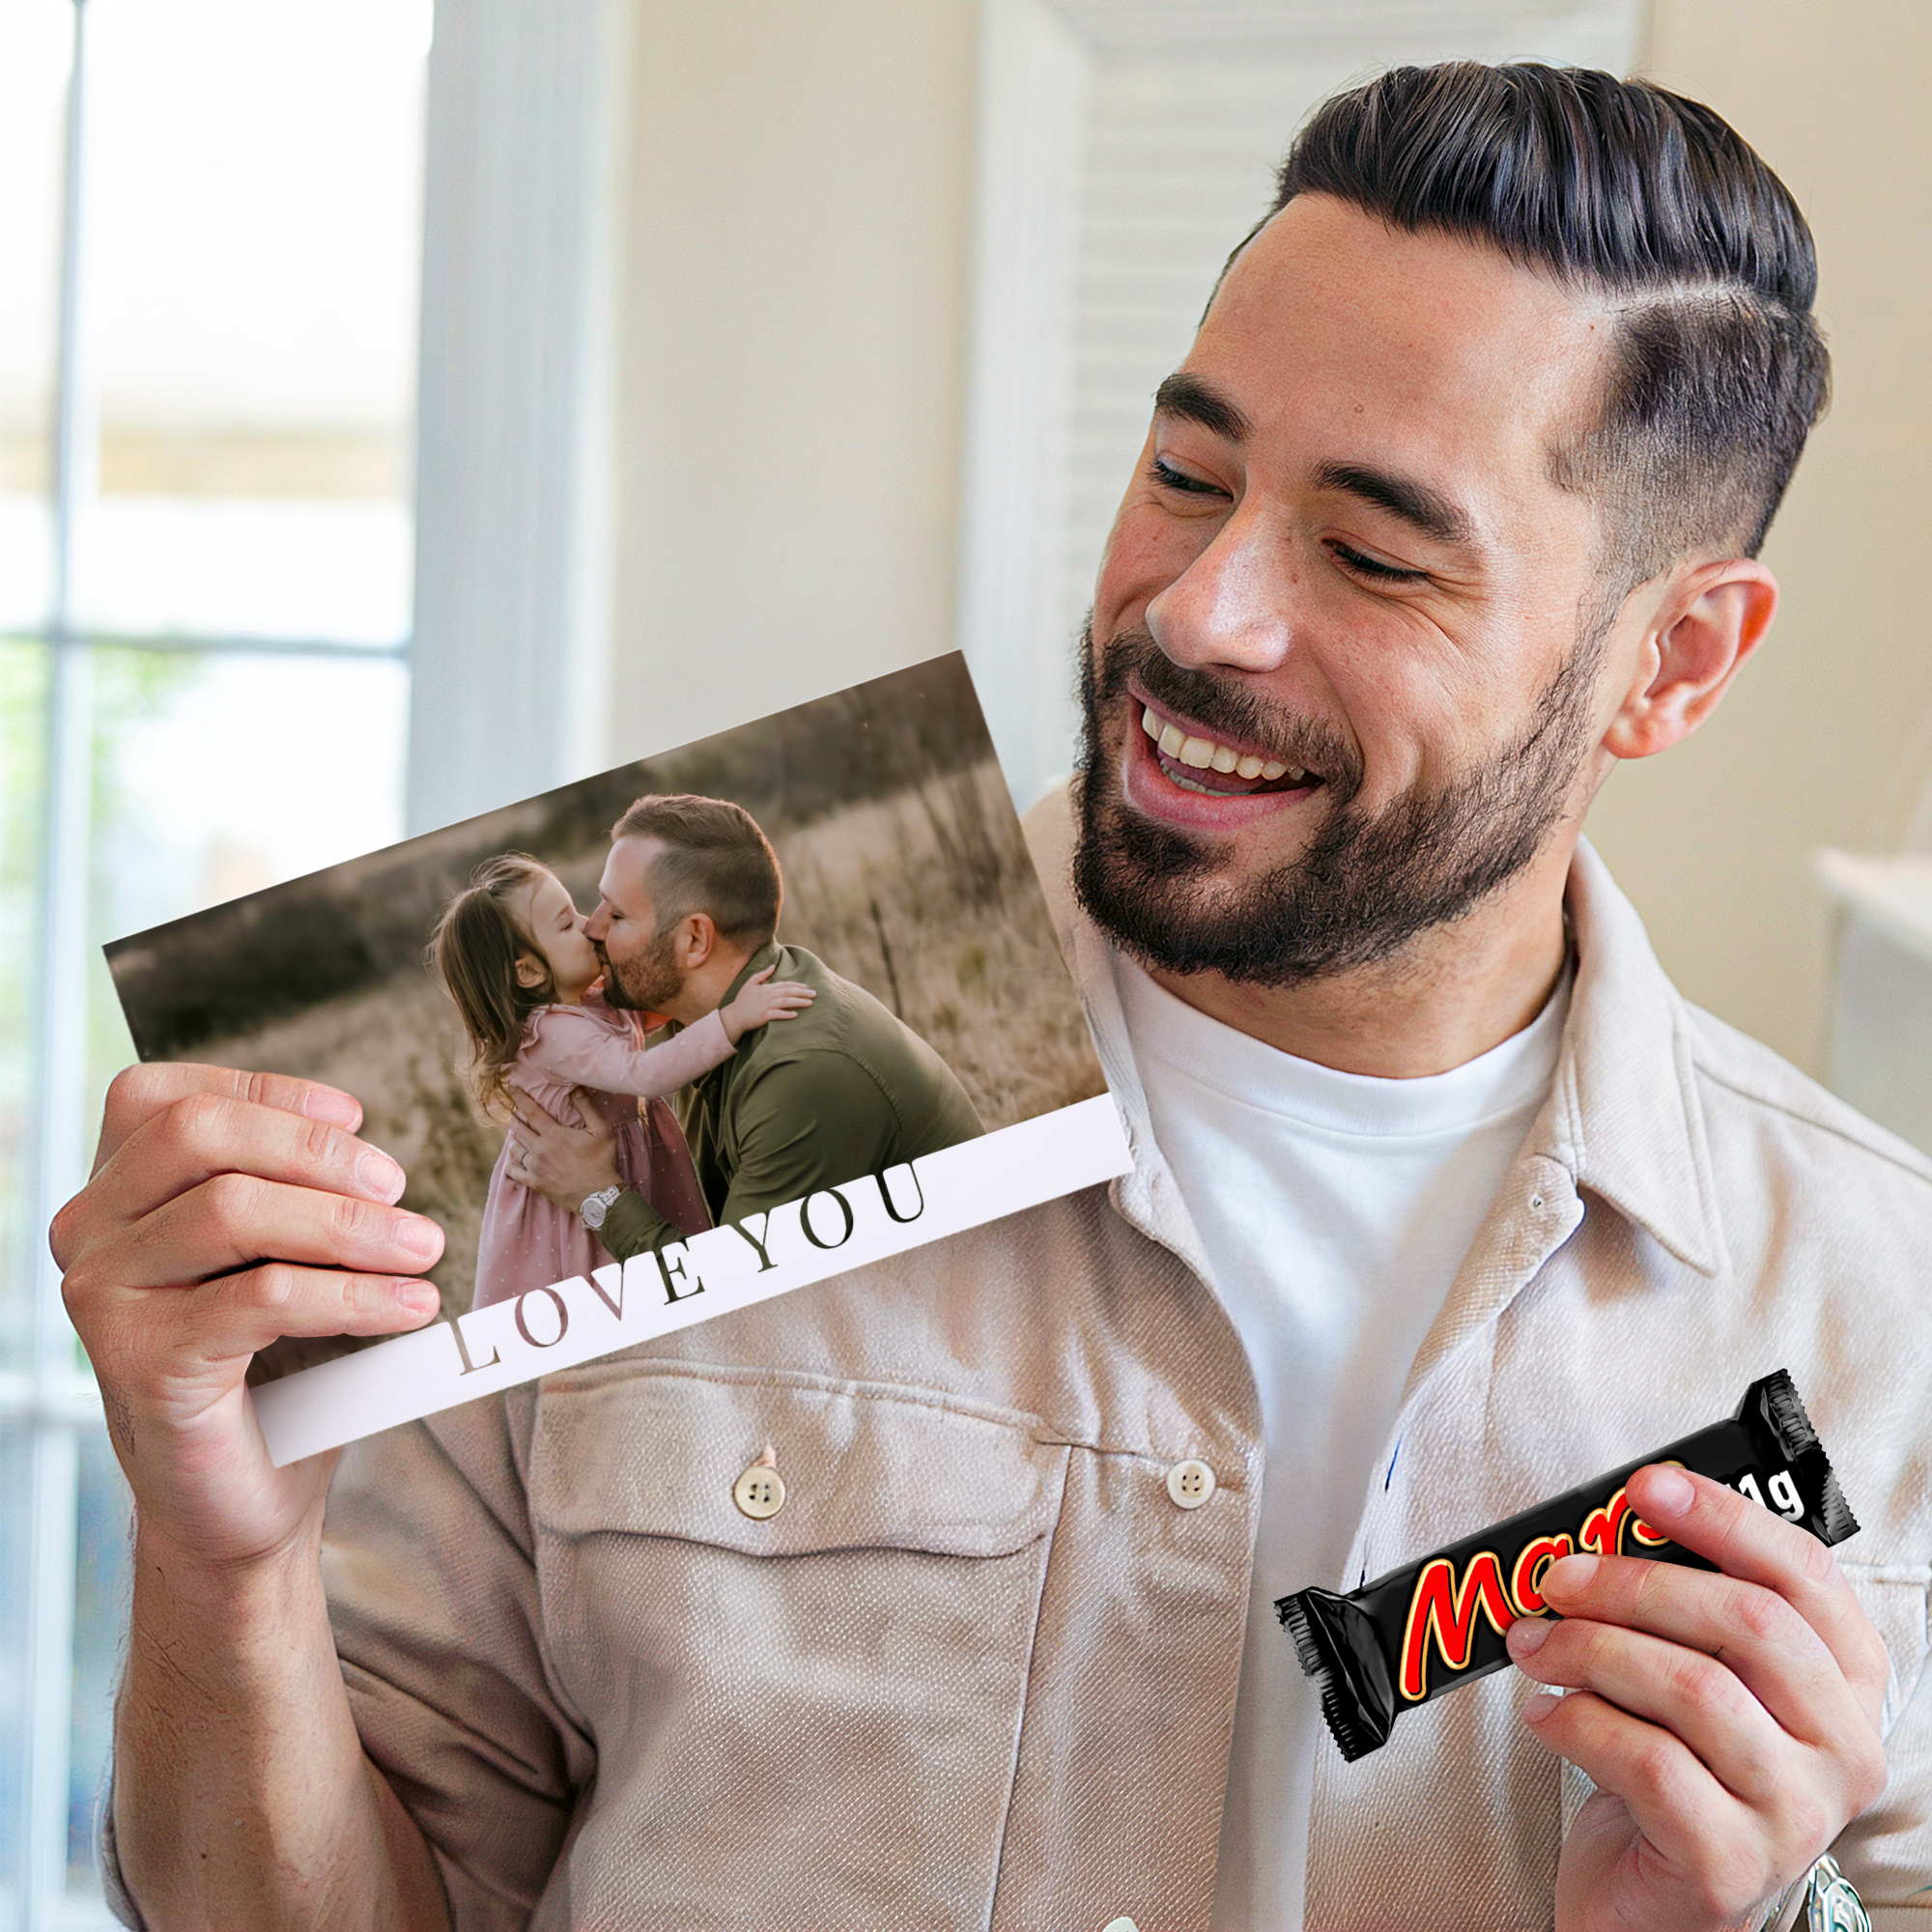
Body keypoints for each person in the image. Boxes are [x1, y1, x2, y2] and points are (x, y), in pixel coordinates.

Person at [54, 62, 1932, 1932]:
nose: (1196, 612)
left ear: (1674, 661)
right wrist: (224, 1568)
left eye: (1371, 554)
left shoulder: (1880, 1326)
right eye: (1185, 475)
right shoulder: (634, 1147)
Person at [505, 792, 986, 1254]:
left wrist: (596, 1195)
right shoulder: (697, 1017)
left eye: (618, 915)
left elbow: (739, 1288)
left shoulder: (799, 1072)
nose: (593, 928)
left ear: (695, 940)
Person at [427, 849, 814, 1309]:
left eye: (576, 911)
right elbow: (645, 1073)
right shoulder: (553, 1034)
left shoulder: (584, 999)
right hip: (570, 1202)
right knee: (608, 1297)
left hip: (619, 1163)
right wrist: (732, 1018)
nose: (589, 925)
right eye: (567, 924)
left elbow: (648, 1012)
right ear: (528, 971)